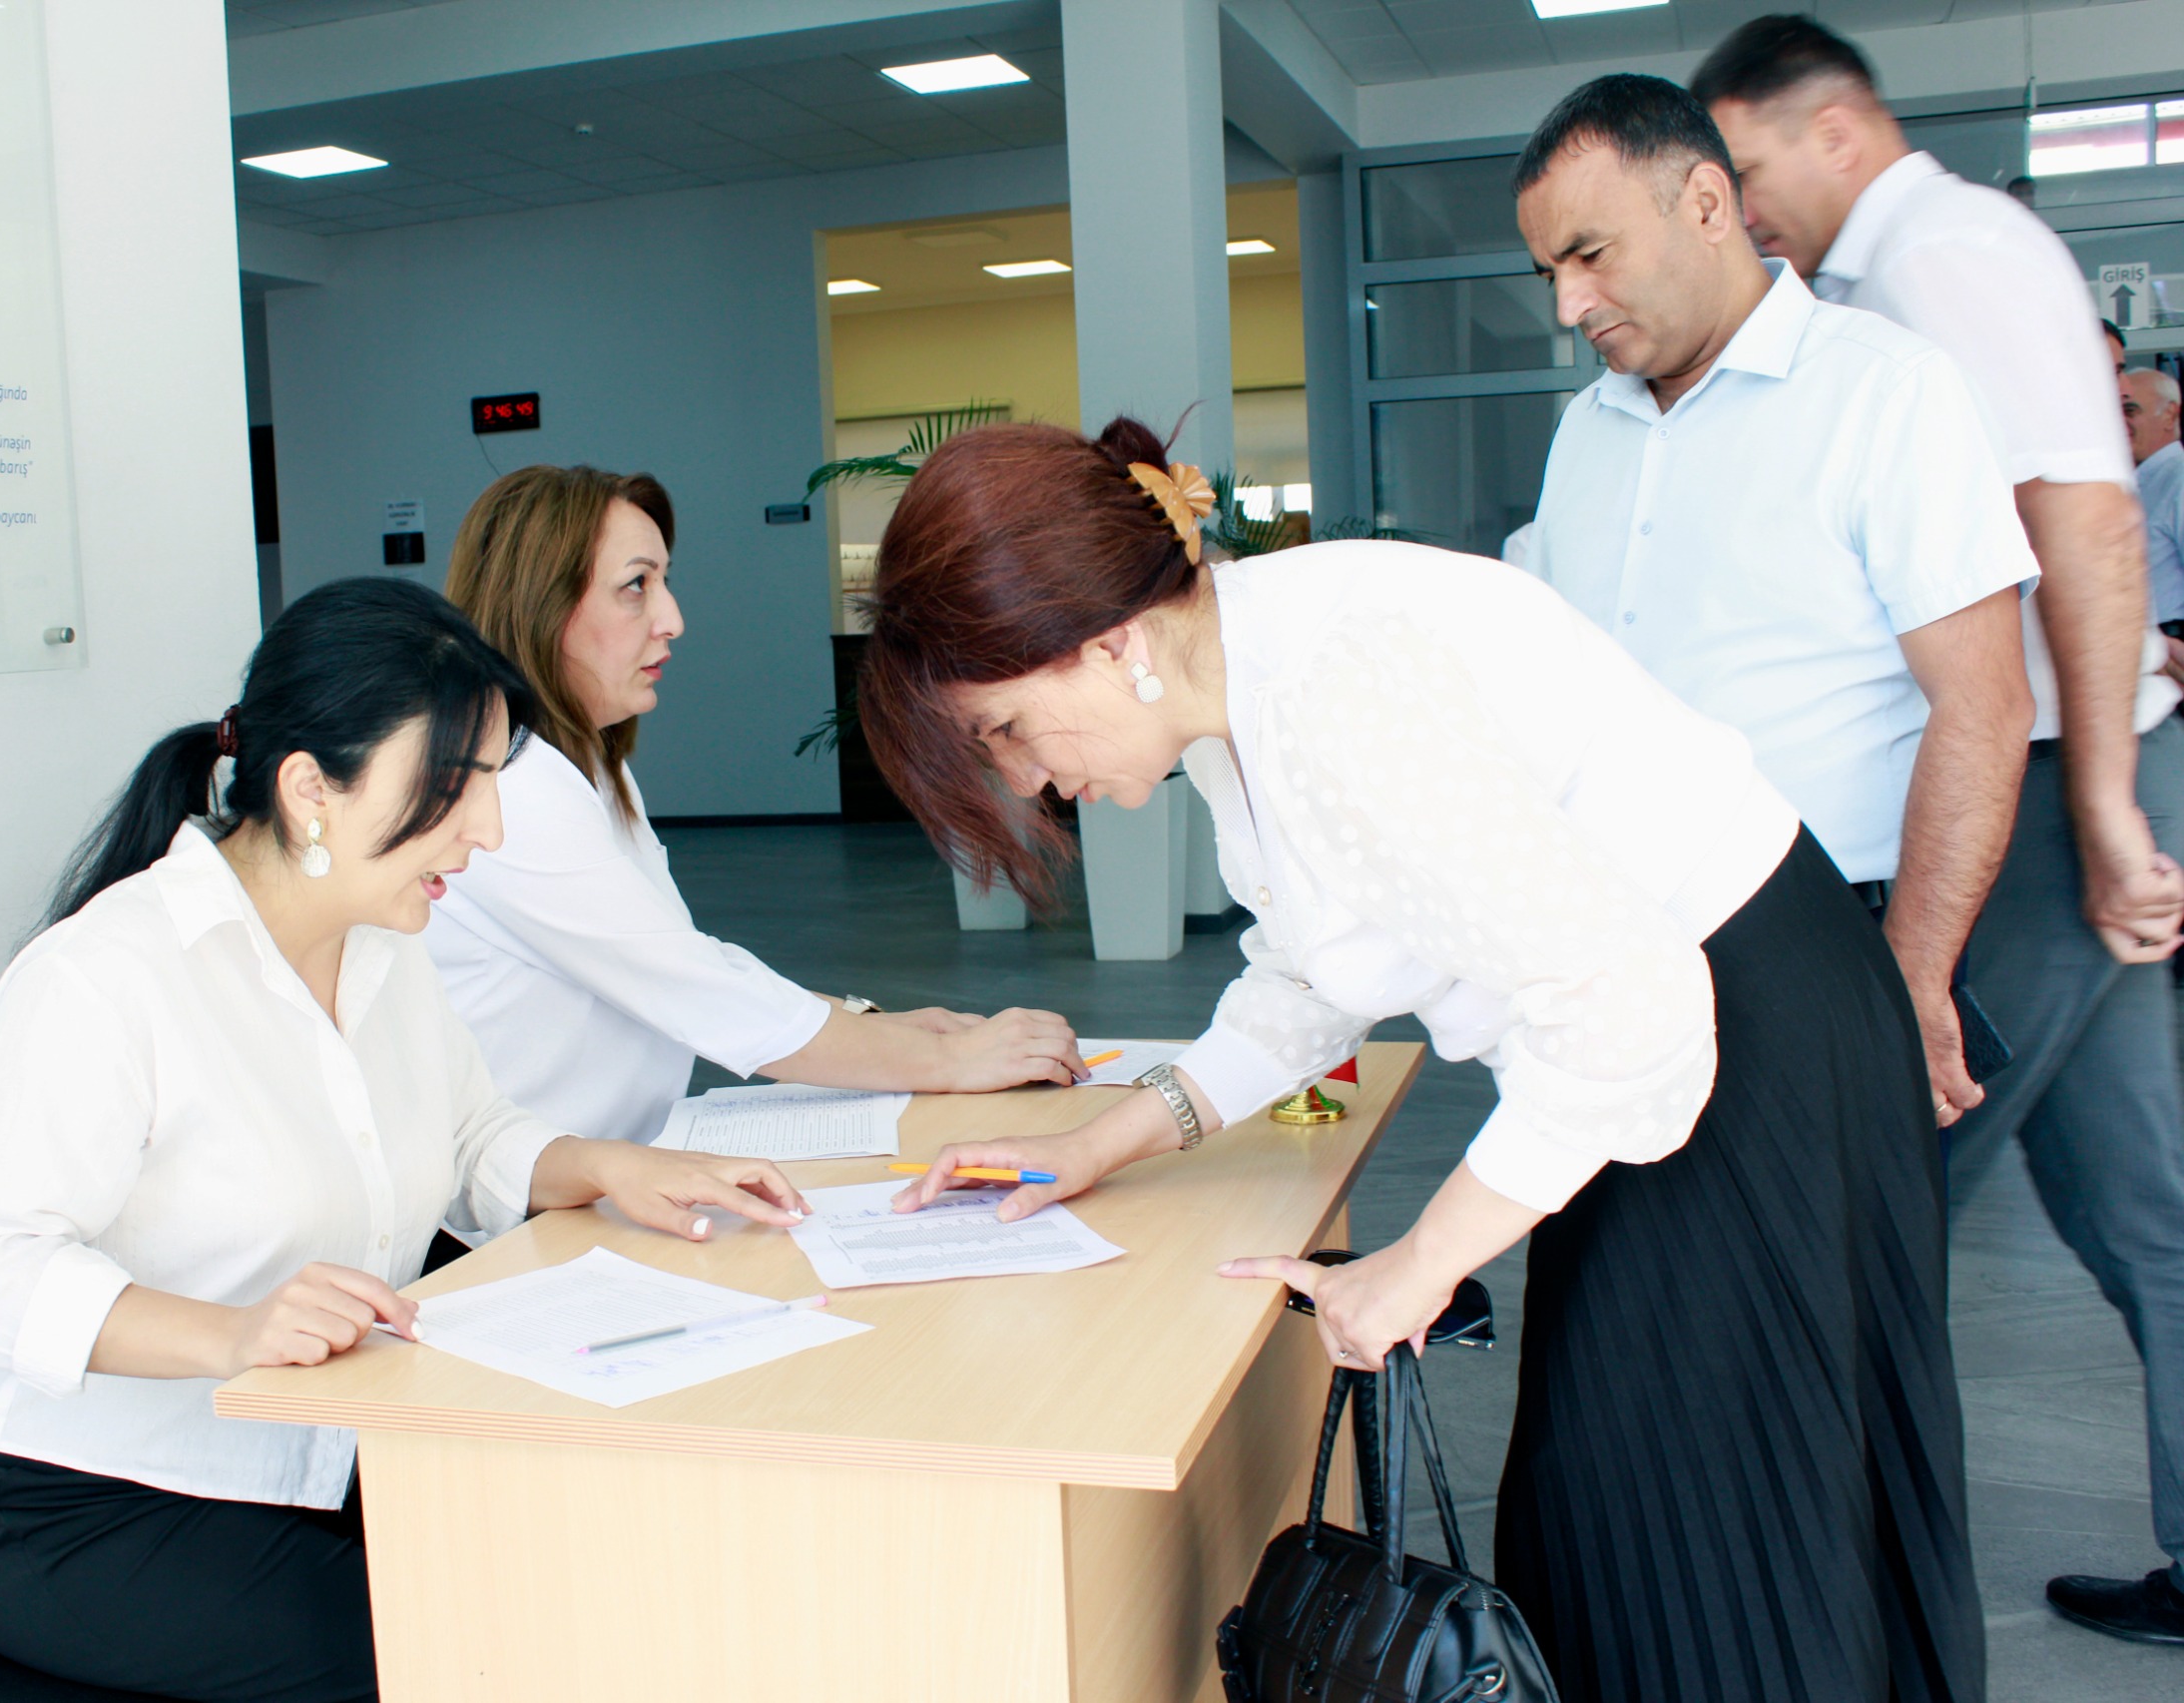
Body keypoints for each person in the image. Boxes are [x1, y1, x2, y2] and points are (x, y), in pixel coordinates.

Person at [857, 416, 1982, 1700]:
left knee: (1701, 1523)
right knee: (1636, 1507)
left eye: (1007, 728)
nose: (1027, 780)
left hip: (1742, 1042)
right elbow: (1309, 976)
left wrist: (1419, 1262)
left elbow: (1628, 1000)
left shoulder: (1328, 690)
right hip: (1686, 1040)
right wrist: (1094, 1144)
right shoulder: (1237, 680)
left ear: (1110, 644)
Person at [0, 578, 809, 1703]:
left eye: (492, 781)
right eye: (454, 784)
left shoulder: (383, 944)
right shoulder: (106, 974)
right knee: (476, 1654)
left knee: (615, 1562)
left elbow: (471, 1135)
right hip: (72, 1500)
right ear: (308, 791)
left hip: (319, 1450)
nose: (488, 828)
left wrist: (615, 1166)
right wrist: (233, 1334)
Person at [1697, 12, 2184, 1647]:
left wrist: (2100, 800)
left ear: (1835, 131)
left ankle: (1809, 1591)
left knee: (1883, 1173)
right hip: (2062, 768)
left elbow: (2086, 523)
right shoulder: (1885, 279)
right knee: (2143, 1206)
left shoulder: (1944, 256)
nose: (1739, 208)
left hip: (2043, 780)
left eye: (1745, 166)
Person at [1515, 74, 2034, 1127]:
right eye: (1549, 272)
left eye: (1591, 254)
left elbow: (1984, 706)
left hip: (1819, 938)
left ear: (1708, 205)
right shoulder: (1584, 431)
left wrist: (1911, 975)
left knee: (1831, 1239)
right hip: (1617, 959)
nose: (1569, 305)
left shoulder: (1885, 389)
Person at [422, 463, 1084, 1145]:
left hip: (617, 1161)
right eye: (636, 586)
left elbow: (682, 958)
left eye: (664, 581)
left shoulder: (582, 762)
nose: (672, 620)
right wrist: (946, 1060)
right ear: (542, 604)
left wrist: (876, 1027)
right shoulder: (512, 789)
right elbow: (694, 992)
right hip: (534, 1195)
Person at [2120, 369, 2184, 642]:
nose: (2119, 422)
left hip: (2170, 643)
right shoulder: (2138, 481)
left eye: (2130, 411)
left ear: (2169, 415)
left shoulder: (2178, 478)